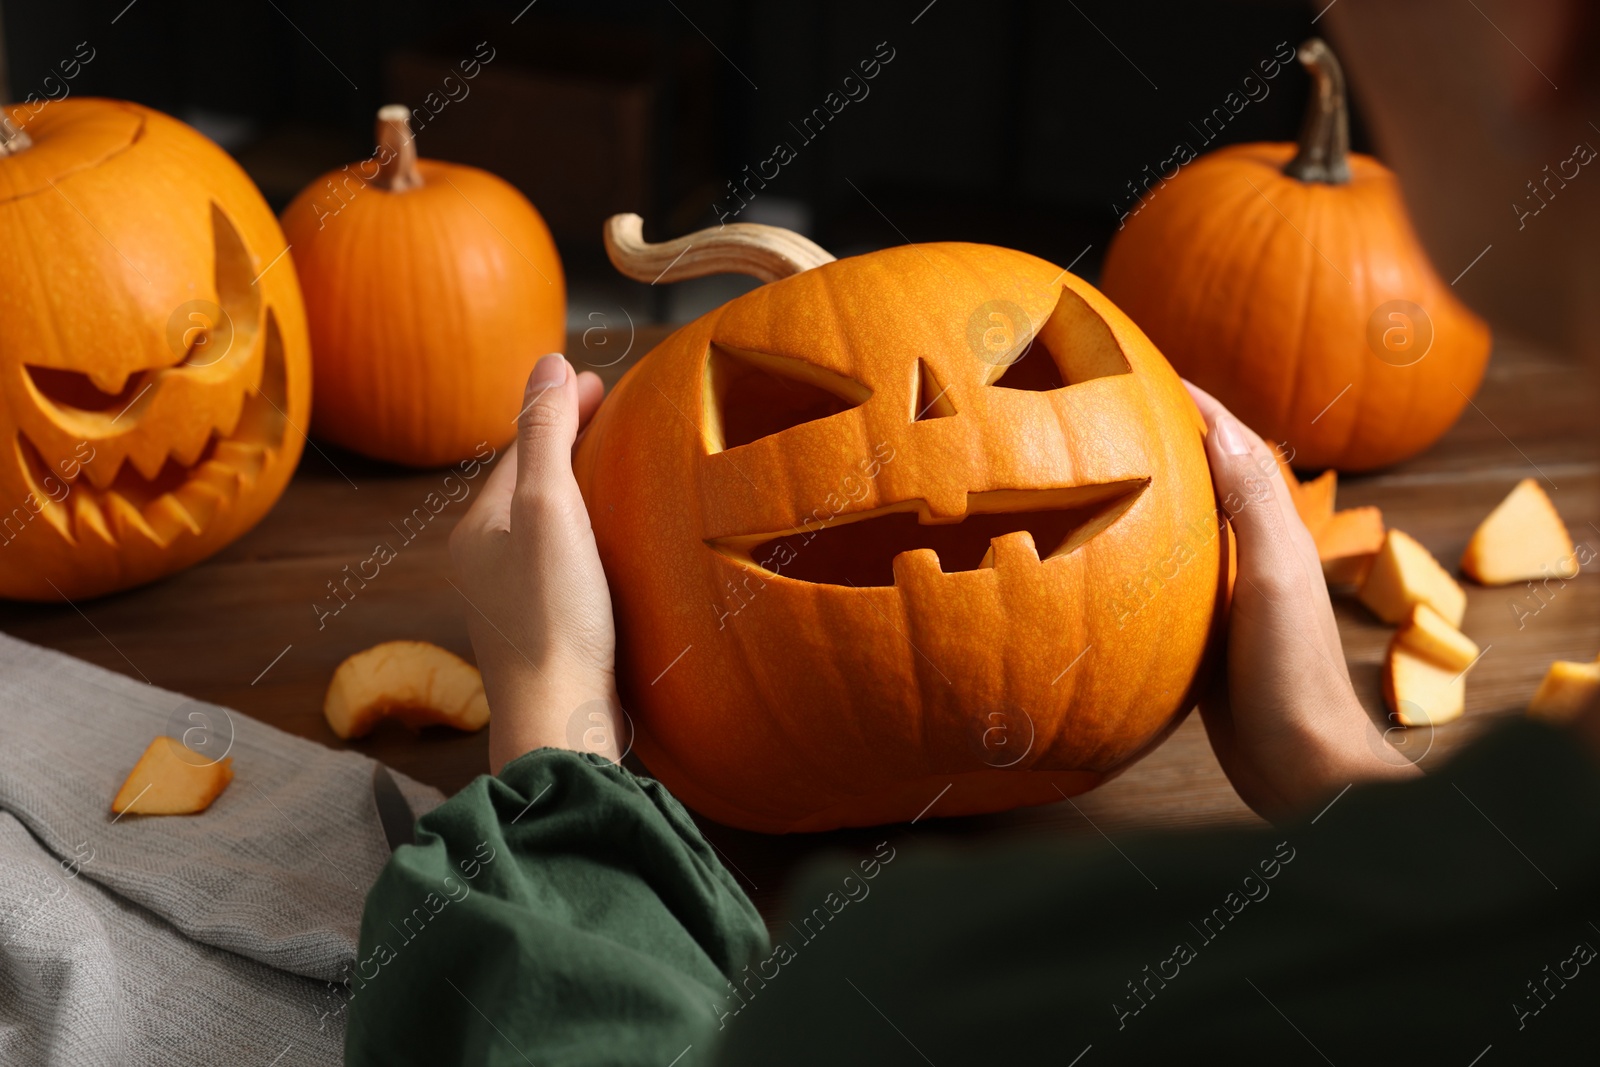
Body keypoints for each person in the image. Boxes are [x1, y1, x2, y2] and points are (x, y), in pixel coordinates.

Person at [345, 2, 1600, 1060]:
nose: (936, 452)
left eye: (1027, 376)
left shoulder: (925, 999)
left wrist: (557, 720)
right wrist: (1332, 765)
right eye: (795, 418)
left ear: (1544, 27)